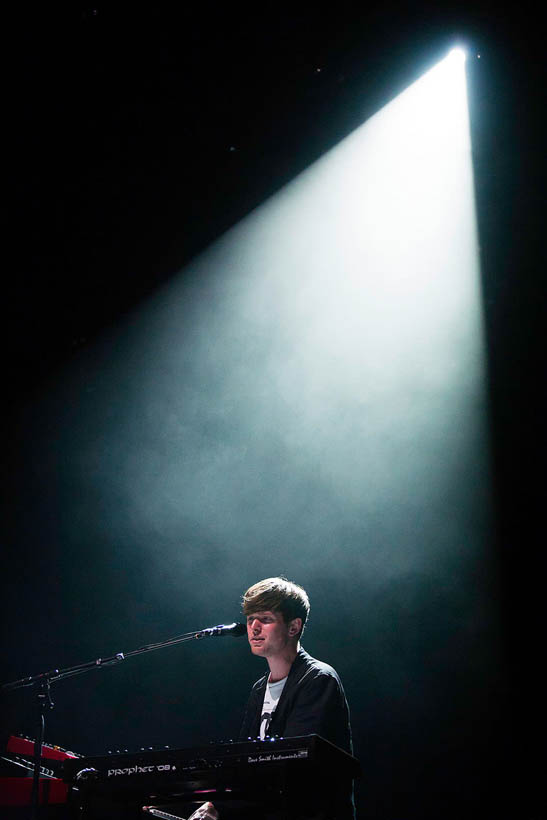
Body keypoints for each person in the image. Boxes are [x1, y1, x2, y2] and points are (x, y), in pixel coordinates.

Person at [239, 577, 355, 819]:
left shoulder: (319, 680)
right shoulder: (258, 690)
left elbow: (295, 767)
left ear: (294, 627)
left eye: (266, 619)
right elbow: (244, 764)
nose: (254, 627)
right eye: (250, 619)